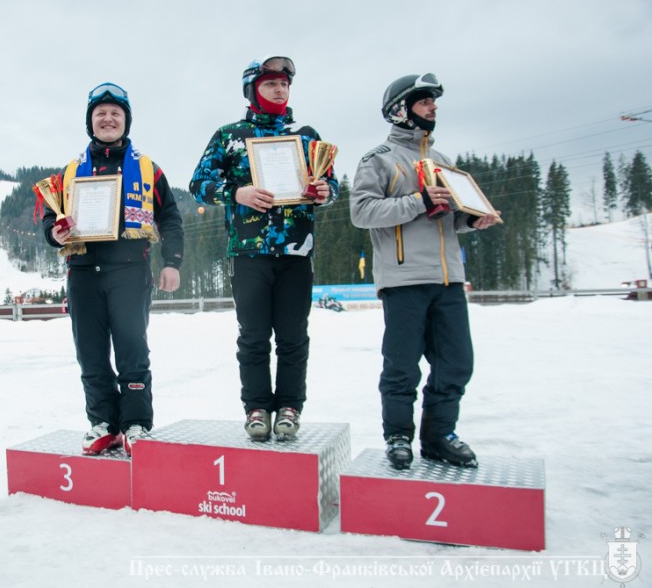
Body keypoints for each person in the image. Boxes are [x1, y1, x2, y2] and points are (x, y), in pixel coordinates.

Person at [349, 73, 501, 469]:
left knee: (456, 362)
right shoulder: (377, 159)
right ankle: (398, 436)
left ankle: (438, 435)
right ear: (400, 110)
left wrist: (472, 221)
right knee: (401, 365)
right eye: (424, 101)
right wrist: (418, 200)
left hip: (448, 279)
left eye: (433, 101)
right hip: (404, 280)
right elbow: (362, 212)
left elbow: (450, 219)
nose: (433, 107)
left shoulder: (445, 163)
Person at [189, 56, 339, 442]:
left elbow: (329, 183)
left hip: (295, 251)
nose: (279, 89)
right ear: (252, 89)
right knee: (253, 336)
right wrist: (235, 192)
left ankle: (290, 406)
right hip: (248, 251)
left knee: (293, 335)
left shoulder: (306, 135)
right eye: (270, 83)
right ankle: (256, 408)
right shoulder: (229, 135)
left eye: (284, 84)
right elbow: (198, 183)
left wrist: (325, 192)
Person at [42, 82, 184, 457]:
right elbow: (48, 217)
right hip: (84, 273)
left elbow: (170, 217)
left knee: (132, 350)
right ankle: (103, 423)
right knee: (90, 353)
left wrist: (172, 262)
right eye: (100, 113)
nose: (108, 119)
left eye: (115, 113)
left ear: (127, 121)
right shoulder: (69, 172)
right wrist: (55, 234)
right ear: (90, 122)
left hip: (130, 273)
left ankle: (136, 424)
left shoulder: (148, 168)